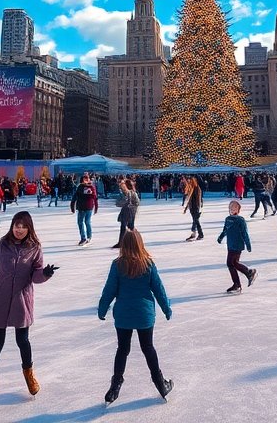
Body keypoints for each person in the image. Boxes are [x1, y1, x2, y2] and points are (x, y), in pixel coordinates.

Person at [0, 211, 58, 407]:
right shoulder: (3, 245)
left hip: (21, 300)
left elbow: (35, 276)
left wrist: (45, 273)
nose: (19, 229)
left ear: (29, 228)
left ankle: (29, 375)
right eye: (16, 226)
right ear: (12, 226)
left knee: (23, 341)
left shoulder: (35, 248)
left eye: (23, 226)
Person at [97, 229, 174, 404]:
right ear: (140, 244)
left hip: (123, 315)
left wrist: (102, 309)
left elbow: (109, 290)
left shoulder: (117, 265)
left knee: (122, 349)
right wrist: (166, 308)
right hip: (144, 315)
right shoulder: (148, 264)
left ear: (123, 245)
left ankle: (114, 387)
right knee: (148, 347)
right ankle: (160, 384)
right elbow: (159, 289)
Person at [217, 199, 257, 294]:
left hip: (238, 244)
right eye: (230, 207)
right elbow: (225, 230)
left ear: (238, 210)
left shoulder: (240, 220)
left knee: (233, 262)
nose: (232, 209)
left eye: (234, 208)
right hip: (230, 244)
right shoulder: (228, 219)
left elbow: (244, 233)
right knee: (231, 264)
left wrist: (248, 244)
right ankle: (237, 283)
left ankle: (248, 273)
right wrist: (221, 237)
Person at [71, 173, 99, 245]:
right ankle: (87, 237)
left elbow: (95, 198)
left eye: (87, 178)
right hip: (85, 207)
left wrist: (96, 207)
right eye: (85, 178)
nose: (86, 180)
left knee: (82, 222)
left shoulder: (88, 187)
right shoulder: (84, 187)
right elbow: (75, 197)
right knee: (86, 222)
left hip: (85, 207)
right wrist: (72, 206)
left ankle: (85, 238)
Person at [113, 178, 140, 249]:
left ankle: (135, 242)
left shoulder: (133, 193)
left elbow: (137, 203)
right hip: (125, 212)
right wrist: (124, 202)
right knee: (124, 227)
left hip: (131, 212)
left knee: (130, 227)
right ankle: (121, 242)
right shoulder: (122, 194)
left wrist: (131, 206)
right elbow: (117, 203)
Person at [181, 176, 204, 241]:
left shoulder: (197, 188)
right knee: (195, 221)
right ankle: (196, 234)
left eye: (190, 181)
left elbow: (199, 199)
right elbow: (189, 199)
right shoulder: (191, 188)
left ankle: (199, 234)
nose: (189, 182)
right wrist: (186, 208)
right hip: (192, 207)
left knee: (196, 221)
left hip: (196, 207)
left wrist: (199, 208)